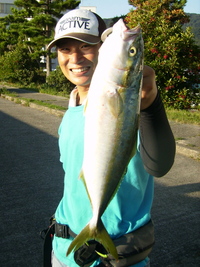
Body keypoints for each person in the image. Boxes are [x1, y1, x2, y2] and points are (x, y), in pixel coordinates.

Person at [46, 8, 176, 267]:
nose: (75, 57)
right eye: (65, 49)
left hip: (116, 258)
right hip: (63, 251)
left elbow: (159, 165)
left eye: (86, 46)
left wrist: (151, 107)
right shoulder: (72, 108)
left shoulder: (133, 104)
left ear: (104, 48)